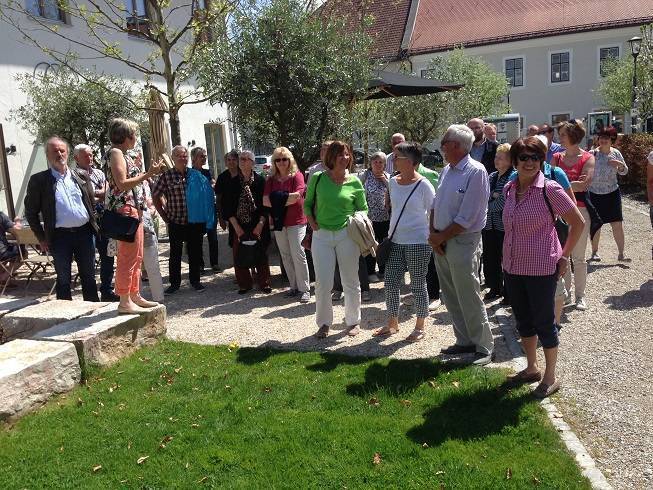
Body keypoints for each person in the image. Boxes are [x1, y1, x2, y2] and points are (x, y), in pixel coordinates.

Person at [502, 137, 585, 398]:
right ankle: (531, 368)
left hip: (541, 268)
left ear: (542, 160)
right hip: (513, 266)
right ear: (515, 161)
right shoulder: (509, 188)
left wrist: (563, 256)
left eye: (535, 157)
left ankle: (550, 377)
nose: (530, 162)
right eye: (524, 157)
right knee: (523, 320)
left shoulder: (550, 189)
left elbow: (578, 223)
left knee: (545, 323)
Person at [429, 125, 494, 365]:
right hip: (442, 240)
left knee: (468, 293)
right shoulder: (447, 169)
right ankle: (464, 340)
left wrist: (440, 237)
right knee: (451, 294)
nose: (442, 146)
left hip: (462, 241)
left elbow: (467, 216)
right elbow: (436, 204)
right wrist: (432, 232)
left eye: (444, 141)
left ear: (455, 145)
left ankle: (484, 346)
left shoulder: (475, 172)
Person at [372, 142, 435, 342]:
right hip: (395, 241)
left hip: (418, 242)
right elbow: (392, 208)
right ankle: (392, 323)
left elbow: (433, 212)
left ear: (409, 161)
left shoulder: (424, 184)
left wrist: (433, 237)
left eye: (396, 157)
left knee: (418, 284)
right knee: (390, 283)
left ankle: (420, 325)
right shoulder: (392, 182)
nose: (392, 160)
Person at [304, 141, 367, 339]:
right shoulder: (317, 178)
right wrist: (312, 222)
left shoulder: (355, 181)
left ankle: (353, 322)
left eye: (347, 154)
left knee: (350, 280)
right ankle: (323, 323)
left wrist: (356, 220)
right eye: (340, 154)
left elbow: (363, 208)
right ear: (331, 157)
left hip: (347, 235)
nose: (345, 158)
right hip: (321, 235)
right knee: (323, 283)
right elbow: (307, 204)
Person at [24, 136, 99, 302]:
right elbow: (31, 212)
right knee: (63, 279)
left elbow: (91, 203)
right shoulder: (39, 180)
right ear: (48, 155)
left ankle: (92, 311)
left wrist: (95, 226)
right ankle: (65, 317)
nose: (59, 154)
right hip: (59, 237)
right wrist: (41, 237)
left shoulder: (81, 176)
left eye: (62, 150)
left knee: (89, 277)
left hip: (85, 234)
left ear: (68, 153)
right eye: (54, 151)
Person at [105, 119, 161, 313]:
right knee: (127, 257)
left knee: (137, 256)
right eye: (134, 135)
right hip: (125, 211)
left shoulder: (124, 154)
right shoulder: (116, 153)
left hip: (133, 210)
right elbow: (122, 184)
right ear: (125, 136)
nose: (136, 138)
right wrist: (147, 174)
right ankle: (124, 299)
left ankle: (134, 294)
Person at [552, 120, 595, 311]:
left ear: (572, 136)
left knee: (578, 257)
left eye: (562, 134)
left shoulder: (587, 158)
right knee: (562, 255)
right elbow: (548, 181)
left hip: (580, 210)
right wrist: (571, 183)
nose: (559, 137)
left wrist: (560, 184)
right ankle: (565, 293)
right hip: (558, 211)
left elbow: (584, 185)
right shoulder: (556, 157)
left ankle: (580, 296)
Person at [152, 145, 206, 294]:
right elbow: (155, 195)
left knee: (195, 252)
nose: (182, 158)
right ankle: (174, 284)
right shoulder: (166, 176)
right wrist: (163, 215)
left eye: (184, 156)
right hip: (175, 221)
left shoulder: (195, 175)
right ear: (173, 158)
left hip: (194, 221)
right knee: (175, 254)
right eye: (179, 156)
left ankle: (195, 282)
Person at [263, 146, 310, 303]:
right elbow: (265, 201)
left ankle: (305, 289)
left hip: (297, 220)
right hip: (279, 222)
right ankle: (293, 286)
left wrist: (276, 199)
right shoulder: (270, 180)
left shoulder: (297, 176)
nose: (281, 162)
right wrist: (284, 199)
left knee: (298, 253)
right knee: (285, 254)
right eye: (278, 160)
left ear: (290, 160)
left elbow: (297, 196)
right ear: (274, 162)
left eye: (284, 159)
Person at [73, 144, 118, 302]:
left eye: (91, 155)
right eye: (86, 155)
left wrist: (94, 194)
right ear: (76, 158)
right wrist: (97, 194)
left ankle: (107, 290)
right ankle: (91, 297)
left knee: (108, 256)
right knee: (89, 259)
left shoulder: (99, 172)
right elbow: (86, 197)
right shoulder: (74, 175)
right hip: (88, 222)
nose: (90, 158)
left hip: (104, 220)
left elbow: (108, 190)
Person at [222, 150, 271, 294]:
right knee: (239, 254)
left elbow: (266, 205)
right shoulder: (232, 182)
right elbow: (227, 208)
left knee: (261, 254)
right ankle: (244, 284)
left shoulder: (261, 181)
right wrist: (237, 228)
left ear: (252, 162)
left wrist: (260, 225)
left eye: (246, 159)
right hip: (238, 224)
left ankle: (264, 283)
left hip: (258, 223)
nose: (242, 161)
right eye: (241, 159)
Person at [588, 126, 629, 262]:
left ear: (612, 140)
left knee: (617, 223)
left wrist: (620, 165)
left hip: (612, 193)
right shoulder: (592, 154)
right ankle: (594, 252)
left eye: (607, 138)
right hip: (594, 193)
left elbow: (624, 171)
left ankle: (621, 254)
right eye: (602, 137)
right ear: (598, 139)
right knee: (596, 224)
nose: (604, 140)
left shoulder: (616, 153)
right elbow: (585, 170)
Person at [482, 143, 514, 301]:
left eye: (501, 158)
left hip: (504, 227)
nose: (496, 160)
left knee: (506, 259)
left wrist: (489, 204)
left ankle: (508, 292)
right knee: (490, 258)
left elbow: (504, 201)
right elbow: (483, 197)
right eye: (496, 157)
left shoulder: (512, 176)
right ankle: (494, 288)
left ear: (509, 161)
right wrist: (492, 198)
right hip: (489, 225)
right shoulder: (492, 176)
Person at [358, 151, 390, 281]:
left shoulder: (389, 177)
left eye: (380, 162)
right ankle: (370, 272)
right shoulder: (365, 176)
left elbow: (395, 193)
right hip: (369, 218)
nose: (377, 164)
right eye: (375, 162)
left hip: (385, 217)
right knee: (370, 244)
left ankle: (382, 270)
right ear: (371, 164)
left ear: (385, 164)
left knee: (383, 244)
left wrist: (385, 182)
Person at [191, 147, 221, 273]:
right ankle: (200, 265)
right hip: (197, 211)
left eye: (205, 156)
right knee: (197, 240)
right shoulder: (189, 173)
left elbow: (213, 185)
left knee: (213, 238)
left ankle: (214, 263)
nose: (204, 158)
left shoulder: (207, 172)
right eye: (201, 156)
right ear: (193, 158)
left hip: (209, 210)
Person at [0, 212, 22, 286]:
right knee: (23, 253)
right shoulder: (1, 216)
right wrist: (17, 221)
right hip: (2, 252)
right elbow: (16, 230)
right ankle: (4, 277)